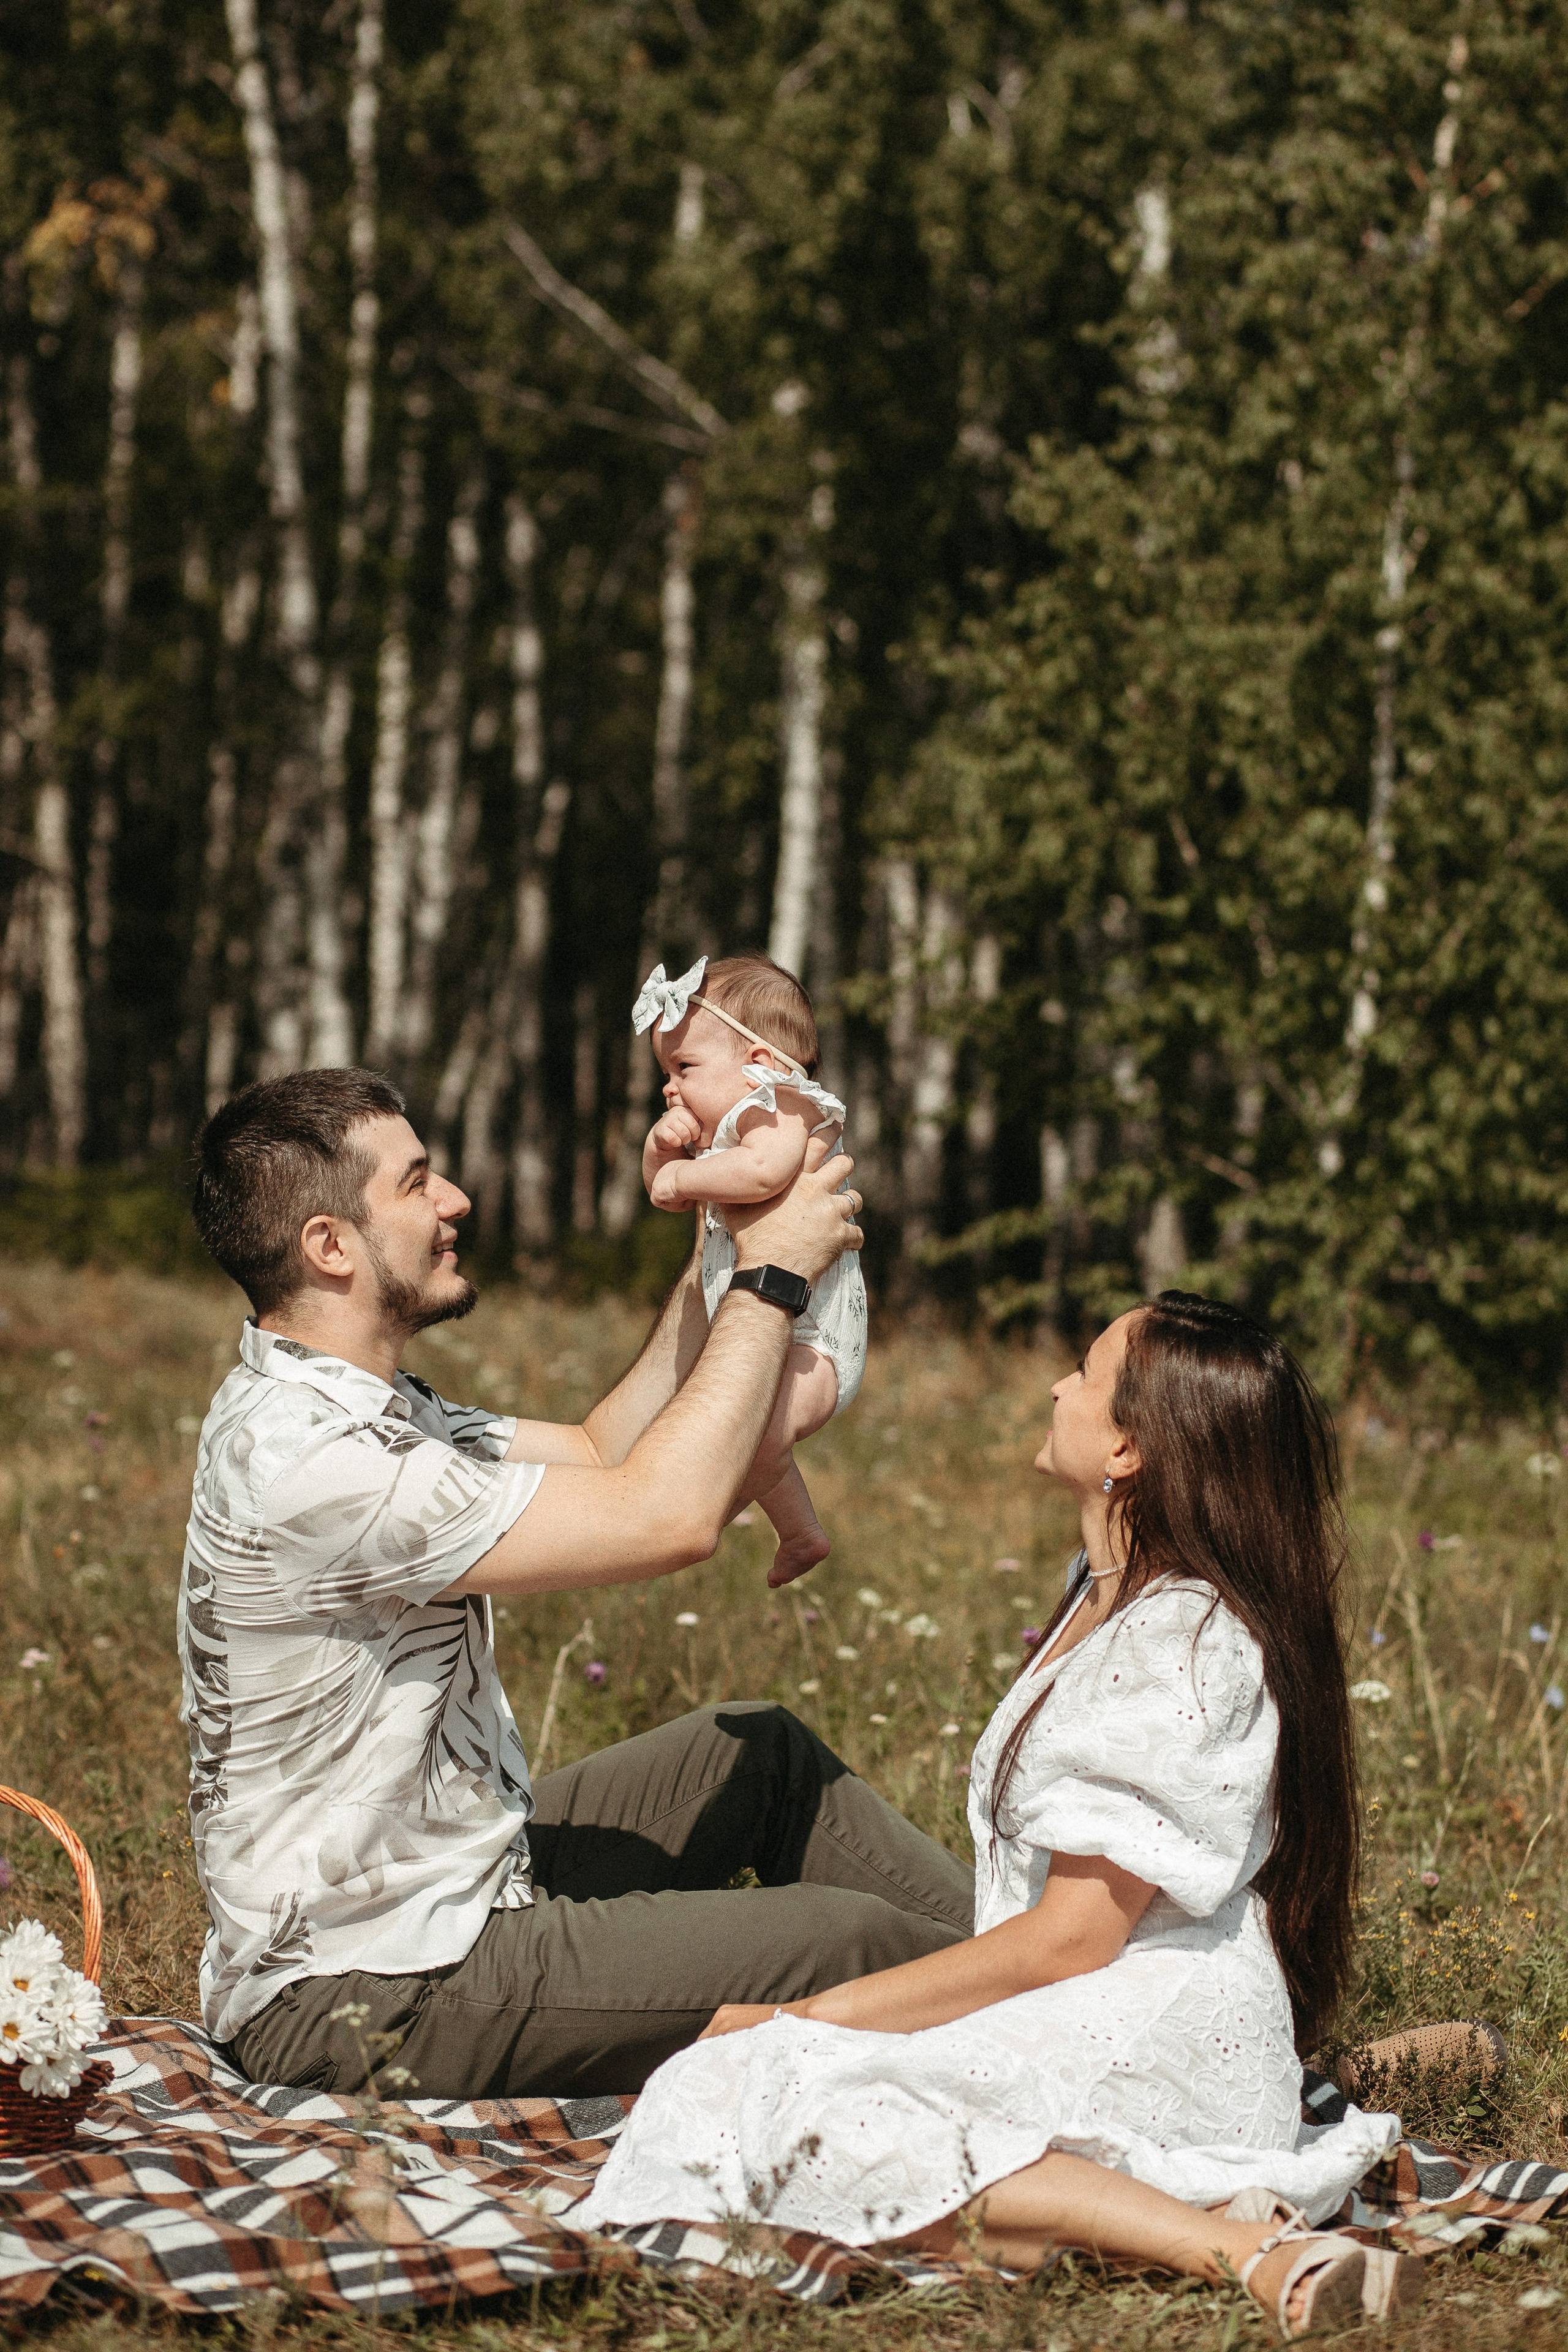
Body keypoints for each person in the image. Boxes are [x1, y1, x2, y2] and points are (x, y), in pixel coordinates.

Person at [572, 1293, 1427, 2336]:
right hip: (1102, 2000)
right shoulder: (1106, 1589)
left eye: (1085, 1372)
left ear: (1128, 1450)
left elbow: (1074, 1937)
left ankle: (1248, 2253)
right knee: (737, 2088)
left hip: (1152, 2022)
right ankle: (1178, 2206)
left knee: (792, 2097)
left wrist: (809, 2015)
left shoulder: (1179, 1643)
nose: (1058, 1386)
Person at [179, 1067, 973, 2103]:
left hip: (442, 1892)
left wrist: (724, 1230)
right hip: (370, 1985)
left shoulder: (362, 1406)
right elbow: (666, 1516)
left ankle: (1062, 1966)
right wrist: (772, 1278)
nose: (456, 1199)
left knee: (760, 1756)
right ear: (330, 1246)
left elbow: (607, 1449)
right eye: (417, 1182)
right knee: (847, 1942)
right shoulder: (315, 1461)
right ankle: (1084, 2029)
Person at [633, 952, 867, 1588]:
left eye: (684, 1068)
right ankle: (801, 1533)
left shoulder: (781, 1106)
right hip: (761, 1325)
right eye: (665, 1073)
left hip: (814, 1340)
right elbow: (665, 1194)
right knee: (743, 1429)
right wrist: (660, 1154)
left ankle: (685, 1519)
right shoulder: (724, 1133)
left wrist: (685, 1174)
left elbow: (764, 1173)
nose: (669, 1088)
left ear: (760, 1063)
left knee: (750, 1436)